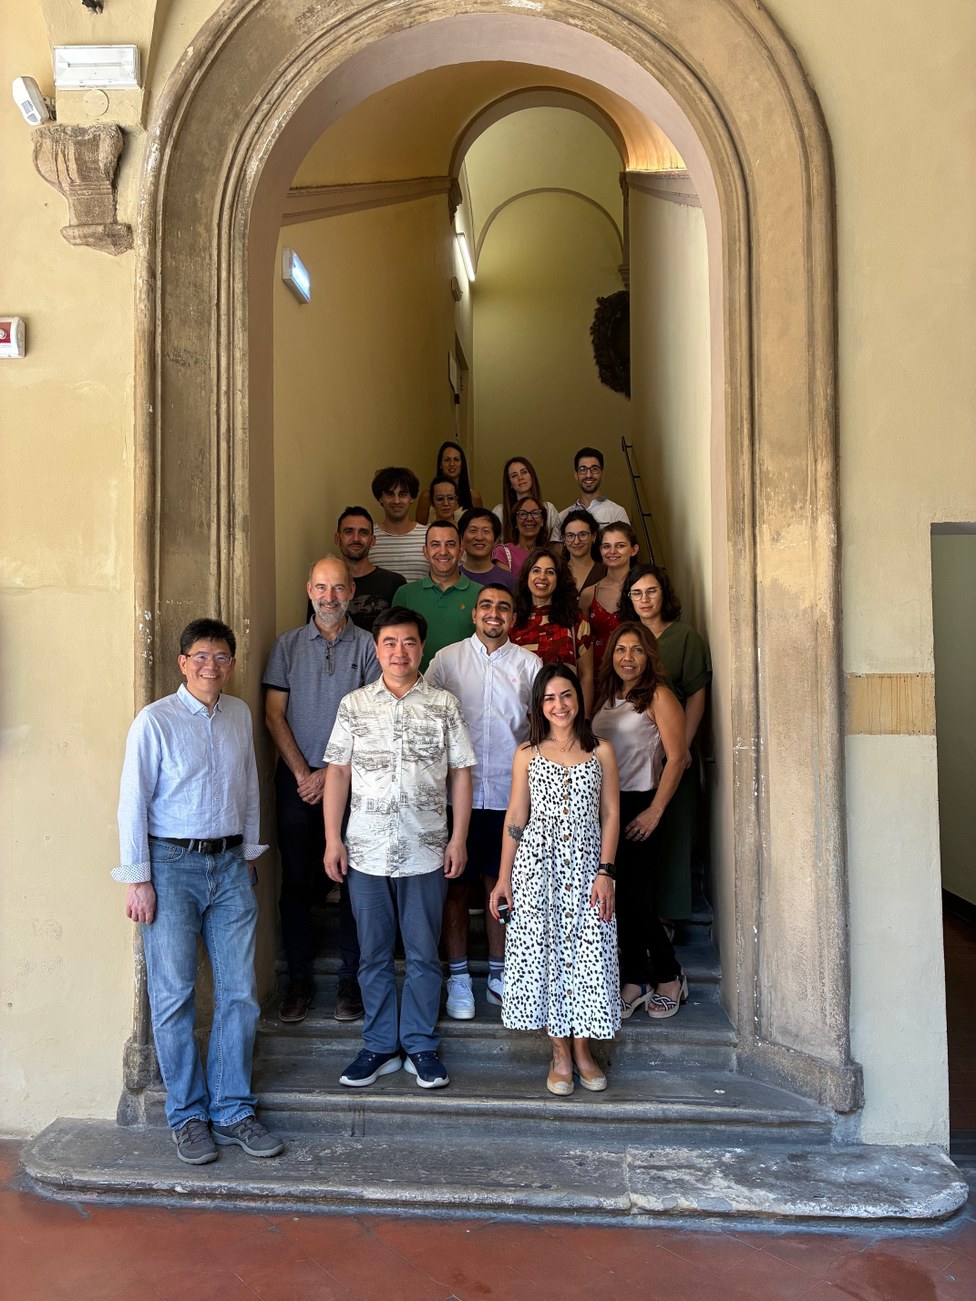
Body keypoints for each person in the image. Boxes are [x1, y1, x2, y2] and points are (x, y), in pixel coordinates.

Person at [115, 618, 284, 1166]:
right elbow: (132, 802)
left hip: (232, 865)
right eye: (201, 657)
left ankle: (233, 1109)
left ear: (231, 664)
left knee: (239, 993)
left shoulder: (236, 714)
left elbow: (250, 785)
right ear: (183, 662)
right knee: (173, 998)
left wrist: (252, 853)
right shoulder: (155, 721)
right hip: (170, 866)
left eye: (222, 657)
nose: (212, 666)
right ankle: (188, 1117)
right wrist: (138, 877)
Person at [323, 608, 476, 1089]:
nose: (399, 652)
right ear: (376, 648)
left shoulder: (444, 706)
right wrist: (332, 838)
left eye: (409, 642)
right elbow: (338, 772)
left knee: (423, 952)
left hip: (426, 846)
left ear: (421, 649)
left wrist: (459, 838)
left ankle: (420, 1044)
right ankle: (379, 1045)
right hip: (365, 847)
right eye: (389, 643)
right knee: (372, 953)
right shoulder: (354, 705)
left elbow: (461, 773)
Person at [489, 665, 620, 1096]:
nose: (558, 705)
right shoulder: (527, 752)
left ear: (578, 700)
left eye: (566, 695)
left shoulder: (601, 749)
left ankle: (583, 1050)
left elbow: (610, 815)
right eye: (548, 698)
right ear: (538, 705)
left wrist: (606, 872)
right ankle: (559, 1051)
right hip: (536, 867)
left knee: (588, 955)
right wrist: (503, 878)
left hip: (586, 867)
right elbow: (515, 817)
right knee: (542, 954)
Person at [264, 556, 380, 1025]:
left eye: (338, 589)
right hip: (297, 781)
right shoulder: (287, 646)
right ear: (308, 590)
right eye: (321, 588)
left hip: (353, 780)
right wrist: (303, 773)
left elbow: (375, 717)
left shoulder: (370, 645)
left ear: (351, 591)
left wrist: (330, 774)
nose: (330, 597)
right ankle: (298, 980)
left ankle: (350, 981)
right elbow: (274, 714)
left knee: (353, 880)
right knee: (296, 882)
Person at [426, 584, 542, 1018]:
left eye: (504, 607)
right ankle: (458, 977)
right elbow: (425, 712)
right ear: (474, 614)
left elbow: (541, 725)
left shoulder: (530, 664)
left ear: (513, 618)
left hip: (509, 796)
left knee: (501, 886)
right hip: (455, 797)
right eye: (487, 606)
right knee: (455, 889)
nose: (495, 614)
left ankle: (499, 971)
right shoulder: (446, 660)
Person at [592, 623, 688, 1019]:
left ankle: (669, 975)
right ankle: (633, 980)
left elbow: (678, 757)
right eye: (620, 650)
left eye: (636, 650)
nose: (627, 658)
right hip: (604, 806)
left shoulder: (659, 697)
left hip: (641, 804)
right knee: (617, 898)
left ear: (649, 656)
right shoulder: (604, 697)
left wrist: (656, 810)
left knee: (635, 899)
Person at [619, 564, 713, 923]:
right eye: (637, 593)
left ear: (664, 595)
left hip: (673, 757)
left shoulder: (685, 637)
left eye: (651, 591)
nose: (644, 599)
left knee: (671, 835)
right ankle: (637, 920)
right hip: (633, 761)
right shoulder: (626, 638)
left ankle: (668, 920)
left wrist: (683, 747)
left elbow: (696, 696)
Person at [510, 547, 594, 718]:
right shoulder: (512, 621)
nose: (542, 577)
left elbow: (586, 676)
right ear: (526, 577)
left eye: (550, 572)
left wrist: (584, 720)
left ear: (559, 579)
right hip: (523, 717)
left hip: (565, 715)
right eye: (536, 571)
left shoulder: (575, 621)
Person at [393, 520, 482, 672]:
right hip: (417, 689)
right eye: (435, 544)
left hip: (467, 689)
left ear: (461, 550)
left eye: (450, 544)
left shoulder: (481, 594)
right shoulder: (405, 594)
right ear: (425, 551)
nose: (443, 551)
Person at [334, 506, 405, 632]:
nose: (356, 538)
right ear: (337, 539)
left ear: (372, 541)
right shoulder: (325, 585)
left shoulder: (394, 583)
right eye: (349, 531)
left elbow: (402, 634)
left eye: (363, 532)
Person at [582, 522, 640, 671]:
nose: (612, 551)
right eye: (606, 546)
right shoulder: (589, 593)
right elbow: (583, 642)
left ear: (634, 550)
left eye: (620, 545)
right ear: (600, 550)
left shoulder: (642, 590)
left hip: (634, 670)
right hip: (598, 673)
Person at [369, 466, 427, 582]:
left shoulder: (428, 535)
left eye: (402, 494)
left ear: (412, 498)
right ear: (380, 498)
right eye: (390, 494)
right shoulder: (368, 538)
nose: (396, 501)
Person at [558, 446, 631, 528]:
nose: (589, 475)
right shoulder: (562, 517)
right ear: (576, 475)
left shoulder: (617, 512)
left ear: (602, 474)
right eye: (583, 469)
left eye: (594, 469)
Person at [493, 456, 561, 543]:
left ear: (532, 476)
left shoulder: (549, 509)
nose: (520, 478)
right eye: (514, 475)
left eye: (524, 472)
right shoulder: (500, 511)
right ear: (510, 483)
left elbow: (555, 547)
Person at [416, 440, 483, 524]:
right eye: (447, 460)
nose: (452, 464)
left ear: (462, 464)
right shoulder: (427, 496)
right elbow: (420, 530)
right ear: (440, 464)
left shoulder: (473, 496)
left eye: (456, 459)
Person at [458, 506, 515, 591]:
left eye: (486, 531)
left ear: (495, 540)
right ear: (461, 537)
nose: (479, 537)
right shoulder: (452, 577)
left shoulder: (509, 581)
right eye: (473, 530)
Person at [492, 494, 547, 580]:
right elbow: (505, 588)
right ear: (515, 523)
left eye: (535, 513)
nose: (529, 518)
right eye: (522, 514)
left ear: (542, 521)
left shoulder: (548, 555)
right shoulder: (503, 552)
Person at [560, 508, 605, 595]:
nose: (576, 541)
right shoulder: (556, 570)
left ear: (593, 536)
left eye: (583, 534)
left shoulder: (605, 572)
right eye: (570, 535)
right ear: (564, 539)